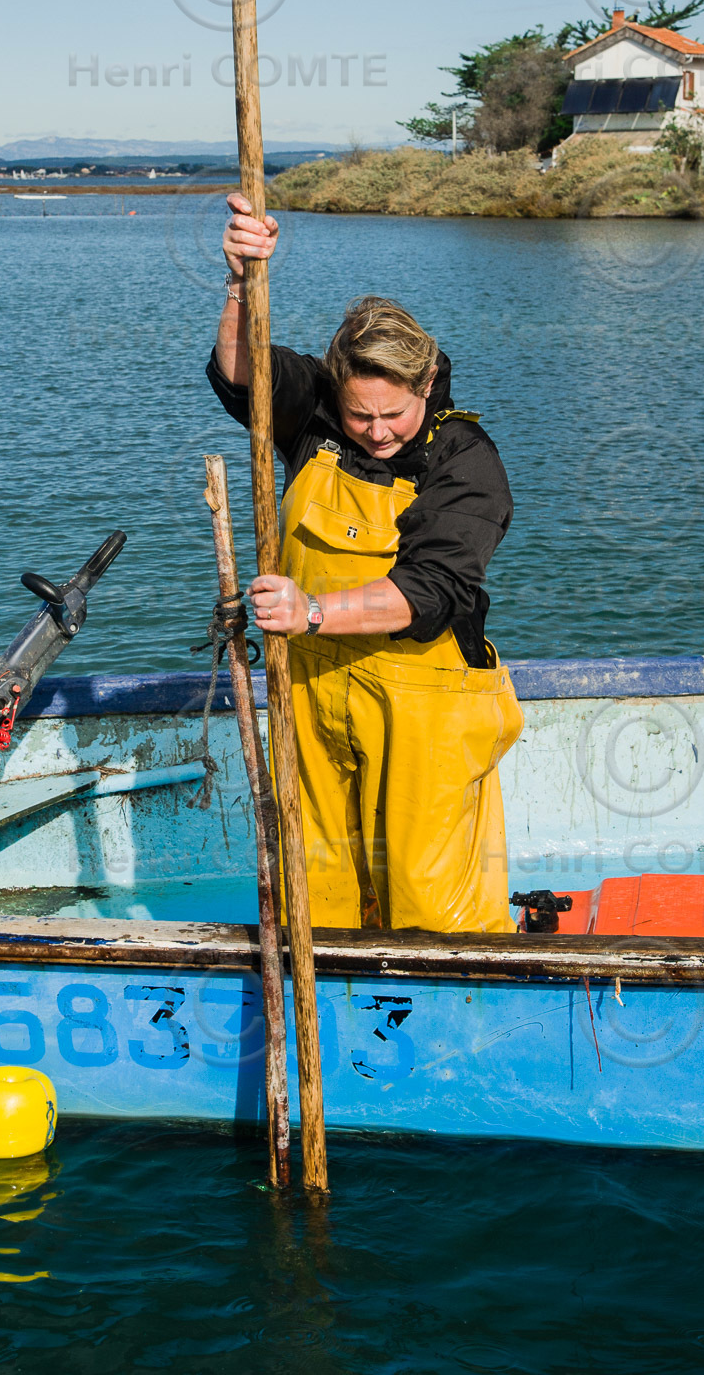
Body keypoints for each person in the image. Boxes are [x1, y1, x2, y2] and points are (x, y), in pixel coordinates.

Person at [208, 192, 522, 934]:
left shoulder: (466, 461)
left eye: (394, 414)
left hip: (427, 704)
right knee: (317, 887)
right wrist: (241, 280)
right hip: (312, 687)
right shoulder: (314, 412)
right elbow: (241, 376)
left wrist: (311, 610)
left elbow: (433, 588)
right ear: (335, 390)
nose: (377, 432)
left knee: (432, 901)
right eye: (360, 416)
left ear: (426, 384)